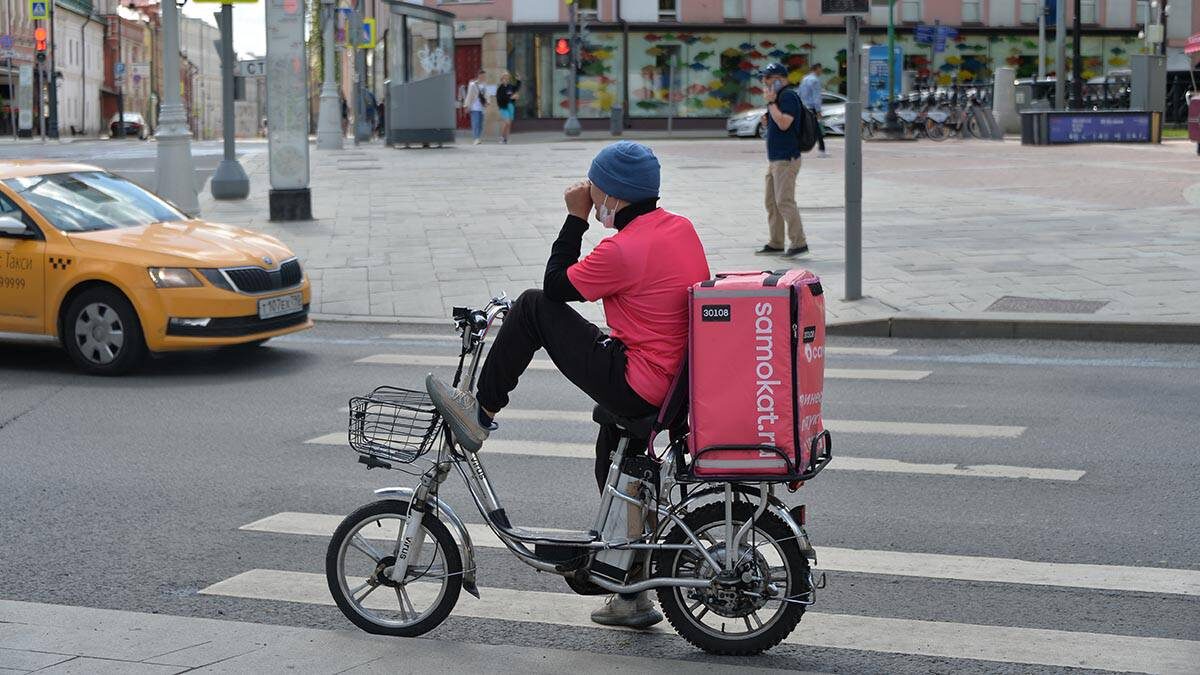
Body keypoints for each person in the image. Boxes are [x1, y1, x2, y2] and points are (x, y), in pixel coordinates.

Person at [425, 141, 711, 629]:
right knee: (619, 472)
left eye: (594, 186)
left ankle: (480, 412)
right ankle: (632, 594)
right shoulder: (677, 227)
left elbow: (556, 285)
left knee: (532, 305)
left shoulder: (623, 248)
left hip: (641, 379)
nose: (589, 192)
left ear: (614, 195)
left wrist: (575, 217)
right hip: (672, 379)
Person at [755, 62, 808, 259]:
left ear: (778, 79)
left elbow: (785, 123)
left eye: (767, 79)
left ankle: (799, 242)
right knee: (771, 202)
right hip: (775, 158)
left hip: (786, 158)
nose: (764, 83)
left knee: (784, 201)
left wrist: (771, 104)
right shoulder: (779, 97)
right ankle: (776, 242)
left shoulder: (788, 96)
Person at [799, 63, 829, 158]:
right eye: (820, 69)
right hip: (812, 108)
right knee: (817, 129)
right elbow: (816, 97)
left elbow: (799, 93)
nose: (821, 71)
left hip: (803, 107)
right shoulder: (815, 80)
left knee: (803, 128)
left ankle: (796, 148)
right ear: (817, 69)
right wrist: (818, 110)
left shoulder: (804, 79)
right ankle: (822, 150)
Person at [495, 72, 521, 144]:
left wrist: (518, 80)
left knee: (509, 123)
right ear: (502, 79)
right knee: (507, 122)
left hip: (511, 106)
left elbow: (516, 88)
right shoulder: (500, 88)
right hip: (503, 107)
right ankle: (502, 137)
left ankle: (506, 139)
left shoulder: (510, 86)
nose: (506, 79)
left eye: (507, 78)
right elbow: (500, 98)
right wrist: (511, 97)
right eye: (504, 78)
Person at [464, 70, 487, 145]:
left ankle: (478, 137)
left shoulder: (484, 84)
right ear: (479, 75)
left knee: (480, 124)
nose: (484, 77)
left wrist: (487, 102)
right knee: (475, 123)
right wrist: (466, 105)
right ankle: (475, 138)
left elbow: (486, 95)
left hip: (482, 107)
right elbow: (469, 95)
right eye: (483, 75)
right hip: (474, 107)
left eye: (484, 76)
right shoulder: (472, 84)